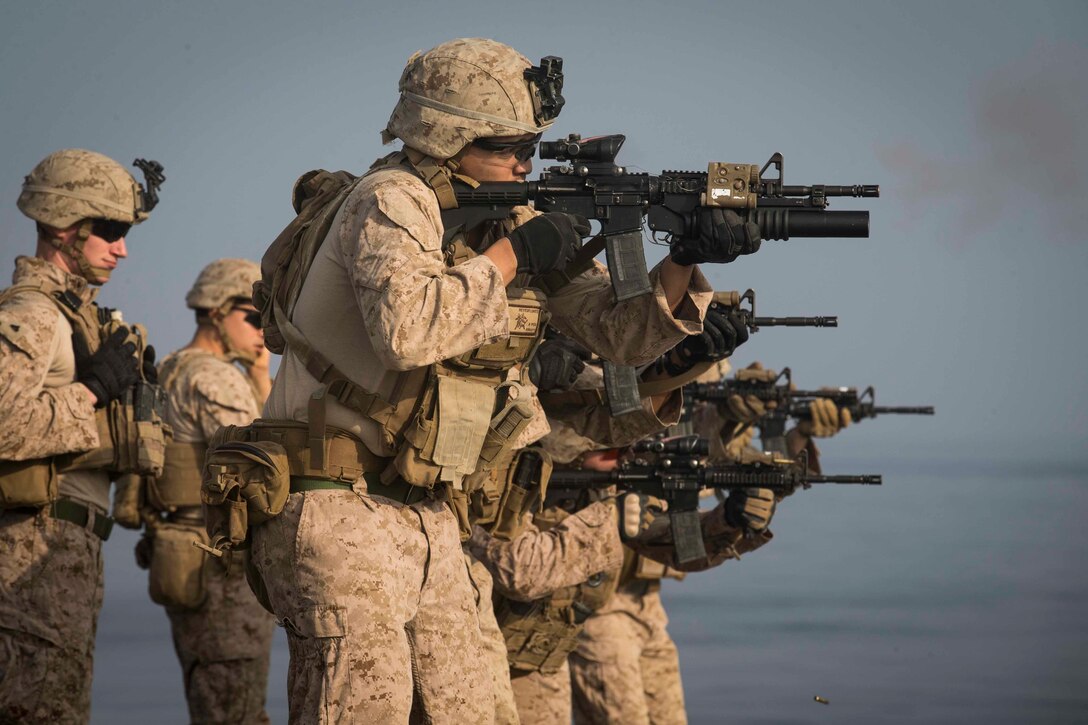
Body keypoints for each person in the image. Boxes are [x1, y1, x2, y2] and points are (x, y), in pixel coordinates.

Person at [235, 37, 726, 723]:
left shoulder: (500, 217)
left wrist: (686, 258)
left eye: (530, 144)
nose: (526, 161)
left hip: (433, 514)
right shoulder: (391, 200)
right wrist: (511, 254)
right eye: (508, 145)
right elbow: (409, 333)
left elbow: (618, 335)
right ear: (445, 134)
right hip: (337, 505)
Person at [0, 149, 161, 723]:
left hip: (65, 551)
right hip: (30, 550)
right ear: (65, 225)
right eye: (112, 231)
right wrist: (91, 391)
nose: (121, 249)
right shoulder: (35, 313)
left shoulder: (78, 317)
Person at [141, 258, 275, 724]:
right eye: (254, 316)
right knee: (234, 709)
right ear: (218, 311)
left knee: (213, 702)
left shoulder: (173, 368)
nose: (263, 328)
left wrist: (258, 374)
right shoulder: (214, 377)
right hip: (220, 567)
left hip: (186, 559)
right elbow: (261, 466)